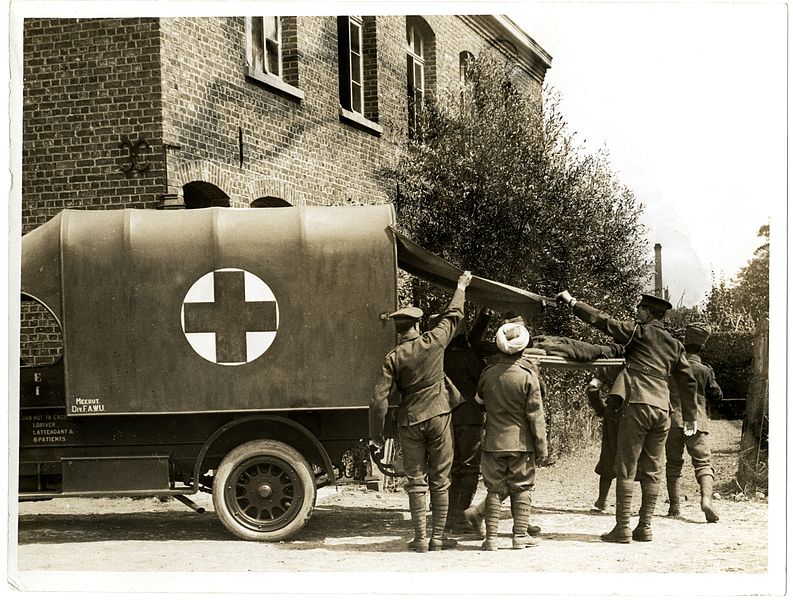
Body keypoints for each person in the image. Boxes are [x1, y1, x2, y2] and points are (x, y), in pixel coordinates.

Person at [555, 291, 698, 543]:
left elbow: (602, 320)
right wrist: (689, 417)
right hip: (663, 410)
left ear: (646, 313)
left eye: (639, 308)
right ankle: (644, 527)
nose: (636, 311)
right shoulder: (676, 345)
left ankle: (622, 528)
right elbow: (688, 380)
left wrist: (572, 302)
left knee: (626, 465)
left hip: (638, 404)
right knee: (653, 469)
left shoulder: (638, 332)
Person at [368, 271, 473, 552]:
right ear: (417, 324)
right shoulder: (433, 341)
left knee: (416, 482)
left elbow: (378, 400)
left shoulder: (393, 357)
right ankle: (438, 538)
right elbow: (453, 314)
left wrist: (376, 437)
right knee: (441, 479)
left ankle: (420, 539)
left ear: (398, 330)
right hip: (439, 415)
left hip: (410, 420)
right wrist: (461, 286)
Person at [474, 321, 548, 551]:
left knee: (494, 489)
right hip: (521, 443)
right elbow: (536, 416)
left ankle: (491, 539)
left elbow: (480, 402)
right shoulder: (528, 376)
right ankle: (519, 537)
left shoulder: (487, 374)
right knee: (522, 487)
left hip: (493, 441)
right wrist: (542, 447)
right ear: (523, 347)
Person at [665, 322, 723, 522]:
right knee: (703, 463)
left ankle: (674, 506)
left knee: (673, 463)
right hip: (696, 423)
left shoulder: (672, 367)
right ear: (702, 347)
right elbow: (717, 395)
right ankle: (706, 500)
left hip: (672, 420)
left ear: (684, 343)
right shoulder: (704, 370)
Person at [443, 312, 489, 534]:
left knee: (452, 469)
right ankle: (463, 516)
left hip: (446, 418)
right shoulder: (471, 357)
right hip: (470, 419)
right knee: (470, 469)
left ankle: (449, 517)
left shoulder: (440, 356)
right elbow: (483, 386)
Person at [585, 366, 623, 513]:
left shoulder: (609, 365)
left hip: (613, 415)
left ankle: (602, 500)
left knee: (609, 454)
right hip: (637, 415)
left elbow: (592, 388)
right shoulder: (644, 359)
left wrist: (601, 409)